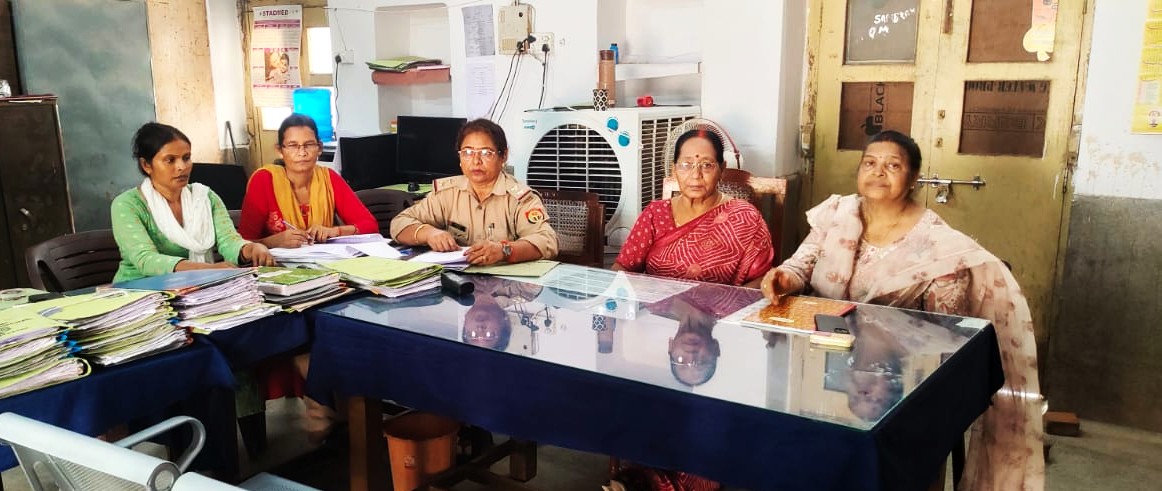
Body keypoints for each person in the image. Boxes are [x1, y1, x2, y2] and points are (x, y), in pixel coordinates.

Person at [759, 130, 1042, 490]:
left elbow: (944, 331)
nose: (878, 172)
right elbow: (802, 265)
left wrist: (878, 339)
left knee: (898, 461)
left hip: (905, 374)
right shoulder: (838, 214)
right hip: (827, 357)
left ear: (912, 179)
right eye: (870, 163)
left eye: (893, 165)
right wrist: (785, 278)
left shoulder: (938, 244)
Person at [111, 123, 275, 283]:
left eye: (186, 158)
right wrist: (206, 270)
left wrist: (251, 248)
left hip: (196, 288)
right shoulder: (128, 204)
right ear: (146, 165)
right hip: (139, 290)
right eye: (170, 160)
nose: (182, 167)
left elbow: (229, 241)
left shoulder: (205, 197)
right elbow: (146, 259)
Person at [613, 128, 773, 287]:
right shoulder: (655, 214)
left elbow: (762, 280)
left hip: (720, 304)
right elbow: (623, 267)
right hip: (655, 303)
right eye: (686, 164)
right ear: (674, 170)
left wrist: (731, 302)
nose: (696, 175)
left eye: (707, 165)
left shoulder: (745, 217)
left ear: (722, 170)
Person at [390, 118, 558, 265]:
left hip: (505, 285)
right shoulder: (447, 193)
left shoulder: (520, 198)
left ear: (503, 156)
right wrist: (429, 233)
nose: (476, 161)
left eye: (486, 153)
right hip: (458, 281)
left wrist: (504, 250)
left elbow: (547, 241)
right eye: (468, 152)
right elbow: (399, 223)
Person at [239, 113, 378, 246]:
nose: (302, 152)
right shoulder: (264, 181)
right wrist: (272, 242)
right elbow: (242, 244)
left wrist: (335, 231)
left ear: (319, 148)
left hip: (324, 259)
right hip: (274, 261)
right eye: (293, 145)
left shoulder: (328, 178)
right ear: (280, 150)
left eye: (309, 144)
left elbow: (370, 226)